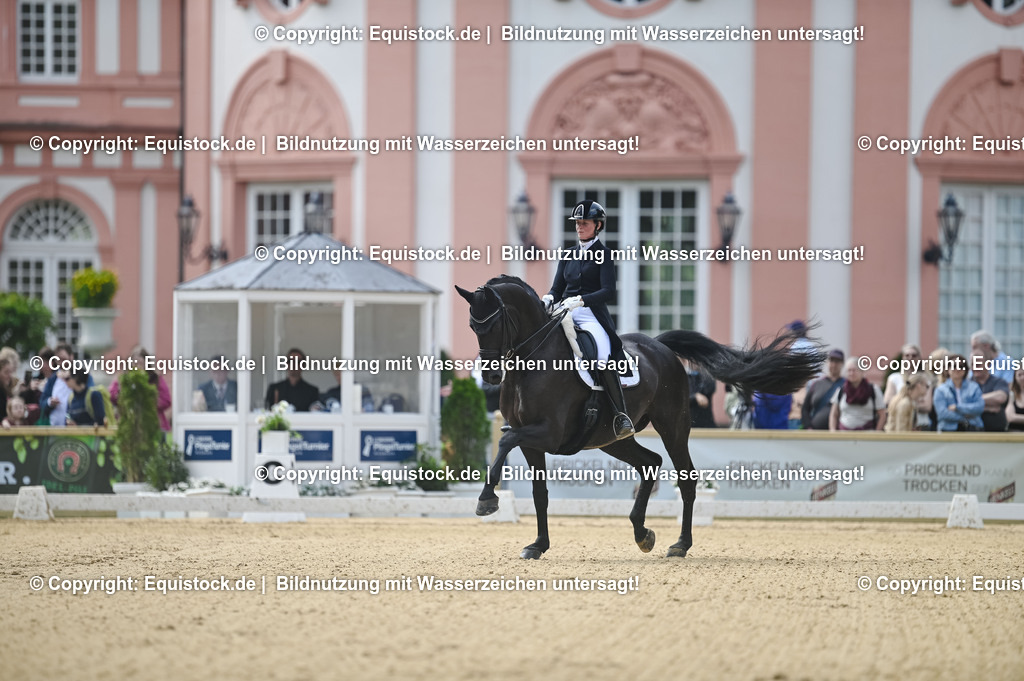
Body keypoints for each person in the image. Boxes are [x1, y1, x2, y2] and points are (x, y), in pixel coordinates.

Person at [543, 199, 633, 440]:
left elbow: (608, 291)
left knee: (602, 354)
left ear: (597, 225)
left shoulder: (604, 255)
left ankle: (620, 415)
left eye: (584, 223)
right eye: (577, 223)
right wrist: (548, 298)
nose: (579, 227)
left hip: (590, 314)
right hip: (565, 311)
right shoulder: (568, 254)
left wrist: (582, 300)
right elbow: (557, 288)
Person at [110, 346, 172, 431]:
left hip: (152, 422)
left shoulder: (155, 378)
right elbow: (112, 395)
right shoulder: (124, 378)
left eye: (140, 363)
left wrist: (148, 402)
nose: (137, 366)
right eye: (135, 363)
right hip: (129, 423)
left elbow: (166, 400)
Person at [829, 358, 885, 431]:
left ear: (862, 371)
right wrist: (833, 431)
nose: (851, 373)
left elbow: (882, 415)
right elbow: (833, 414)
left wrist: (877, 433)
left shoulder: (873, 390)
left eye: (854, 370)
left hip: (868, 435)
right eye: (849, 370)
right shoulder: (841, 391)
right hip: (844, 435)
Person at [933, 355, 984, 432]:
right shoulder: (940, 390)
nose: (957, 369)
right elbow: (942, 413)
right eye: (954, 366)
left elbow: (979, 407)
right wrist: (965, 417)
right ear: (948, 369)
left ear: (965, 370)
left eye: (961, 366)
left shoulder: (974, 387)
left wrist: (957, 408)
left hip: (973, 429)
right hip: (948, 430)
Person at [802, 349, 846, 430]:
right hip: (816, 431)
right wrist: (808, 427)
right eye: (831, 361)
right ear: (827, 362)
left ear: (842, 363)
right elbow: (805, 409)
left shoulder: (846, 384)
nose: (834, 364)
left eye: (837, 361)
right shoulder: (816, 384)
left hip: (839, 432)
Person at [971, 352, 1009, 432]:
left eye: (978, 364)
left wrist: (972, 402)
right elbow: (962, 404)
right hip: (973, 432)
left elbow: (1000, 398)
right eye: (972, 364)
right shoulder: (967, 384)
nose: (975, 367)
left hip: (997, 432)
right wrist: (988, 408)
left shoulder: (999, 382)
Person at [681, 359, 716, 428]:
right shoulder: (681, 377)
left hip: (705, 423)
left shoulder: (706, 376)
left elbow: (709, 388)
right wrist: (695, 397)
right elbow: (680, 398)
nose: (694, 363)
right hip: (686, 424)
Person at [1006, 368, 1024, 432]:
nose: (1022, 377)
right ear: (1015, 378)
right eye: (1019, 375)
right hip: (1014, 433)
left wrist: (1018, 418)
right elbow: (1010, 417)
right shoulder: (1011, 394)